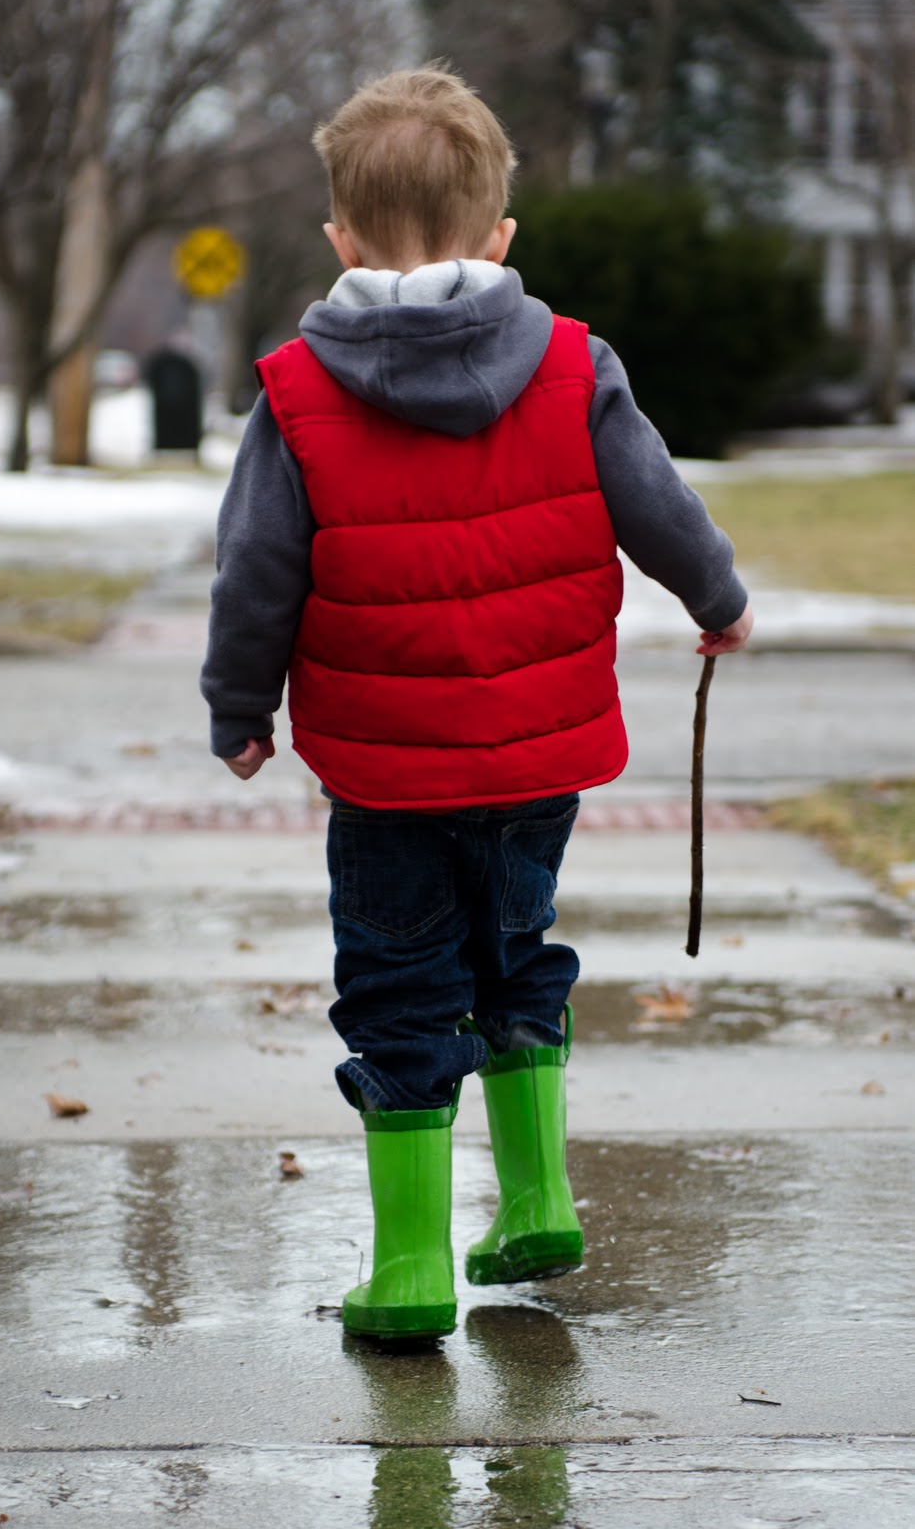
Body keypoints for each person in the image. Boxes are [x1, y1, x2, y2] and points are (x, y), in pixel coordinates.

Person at [200, 66, 752, 1344]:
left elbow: (258, 572)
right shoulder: (574, 363)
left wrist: (241, 706)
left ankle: (408, 1267)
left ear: (340, 239)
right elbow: (658, 506)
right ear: (501, 235)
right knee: (517, 952)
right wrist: (714, 596)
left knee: (397, 985)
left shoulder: (294, 390)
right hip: (537, 759)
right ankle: (541, 1193)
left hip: (385, 774)